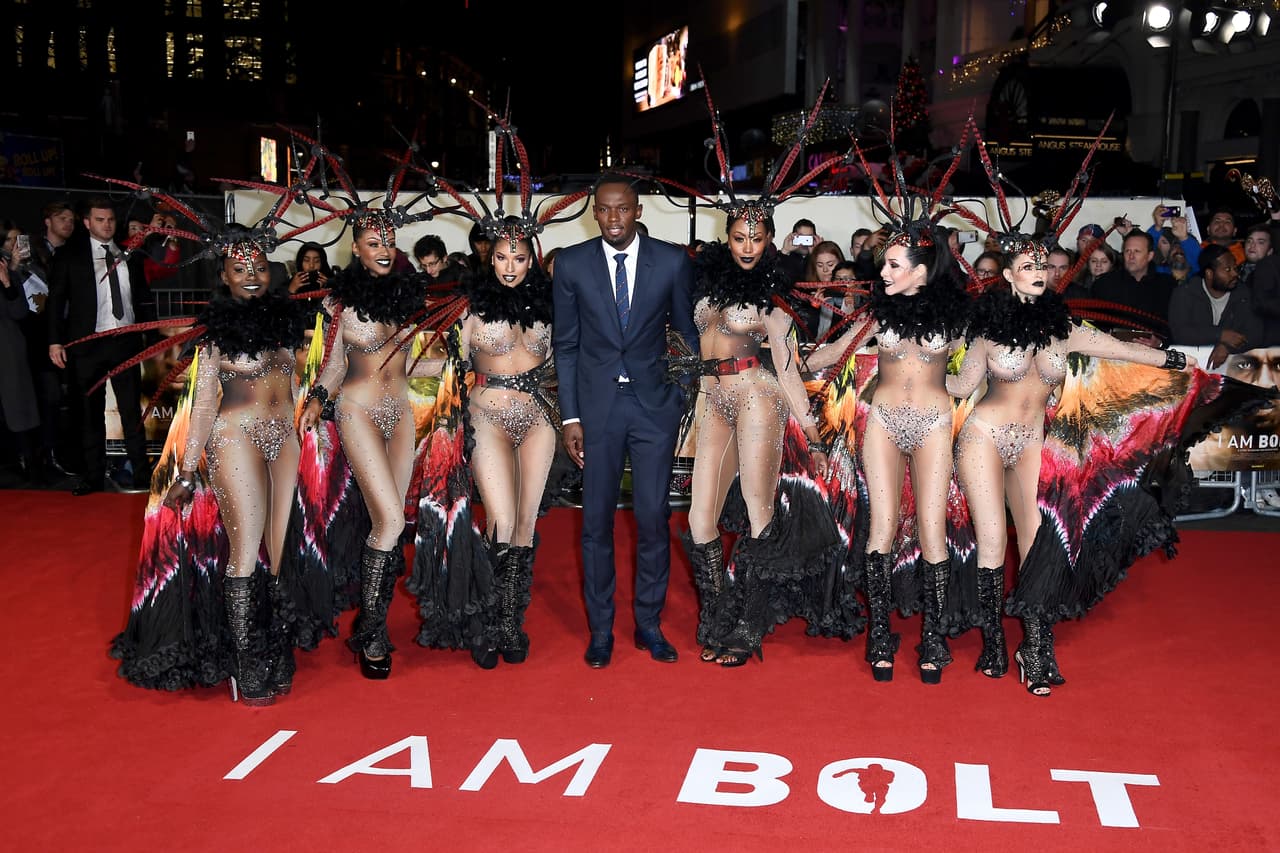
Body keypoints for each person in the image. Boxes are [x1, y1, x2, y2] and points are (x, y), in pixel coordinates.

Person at [948, 241, 1201, 696]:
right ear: (1008, 275)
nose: (1038, 272)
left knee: (1036, 541)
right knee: (989, 540)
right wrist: (907, 369)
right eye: (1027, 266)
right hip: (983, 436)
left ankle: (1036, 645)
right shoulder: (985, 329)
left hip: (1031, 441)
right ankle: (992, 643)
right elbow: (963, 384)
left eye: (1041, 265)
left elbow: (1117, 349)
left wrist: (1171, 359)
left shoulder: (1062, 327)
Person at [109, 220, 312, 704]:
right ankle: (244, 662)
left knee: (279, 550)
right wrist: (187, 469)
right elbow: (202, 406)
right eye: (240, 269)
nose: (251, 276)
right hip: (233, 440)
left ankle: (272, 641)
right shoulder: (215, 334)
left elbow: (298, 387)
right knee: (245, 548)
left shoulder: (288, 323)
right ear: (222, 275)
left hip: (284, 441)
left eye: (260, 268)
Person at [809, 215, 971, 684]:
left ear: (920, 271)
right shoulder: (878, 315)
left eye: (894, 264)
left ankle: (934, 639)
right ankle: (880, 635)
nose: (883, 272)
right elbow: (831, 352)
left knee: (931, 531)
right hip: (881, 423)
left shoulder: (956, 316)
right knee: (880, 528)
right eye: (884, 263)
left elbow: (987, 356)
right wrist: (781, 350)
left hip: (934, 424)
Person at [682, 207, 841, 666]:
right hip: (711, 399)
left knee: (758, 509)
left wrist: (809, 430)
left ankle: (750, 621)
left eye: (755, 239)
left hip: (757, 396)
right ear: (727, 238)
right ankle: (717, 614)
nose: (747, 247)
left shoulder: (773, 294)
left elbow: (788, 366)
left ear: (770, 239)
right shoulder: (707, 284)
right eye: (738, 238)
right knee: (699, 518)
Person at [552, 174, 699, 669]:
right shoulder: (571, 264)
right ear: (594, 212)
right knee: (594, 524)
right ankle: (600, 631)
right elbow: (566, 346)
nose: (613, 219)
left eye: (622, 210)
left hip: (654, 410)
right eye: (603, 210)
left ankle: (649, 624)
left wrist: (678, 398)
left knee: (653, 519)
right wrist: (571, 416)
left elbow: (685, 337)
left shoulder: (673, 261)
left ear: (638, 211)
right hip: (595, 413)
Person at [412, 219, 561, 668]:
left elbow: (563, 362)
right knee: (499, 517)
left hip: (538, 419)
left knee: (525, 524)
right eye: (501, 257)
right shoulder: (470, 305)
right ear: (488, 257)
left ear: (532, 258)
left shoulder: (550, 305)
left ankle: (509, 622)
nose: (509, 267)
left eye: (518, 258)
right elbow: (444, 364)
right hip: (487, 417)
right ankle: (488, 619)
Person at [297, 209, 429, 680]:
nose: (383, 248)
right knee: (391, 519)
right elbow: (334, 365)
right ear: (355, 248)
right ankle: (371, 632)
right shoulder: (340, 302)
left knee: (390, 526)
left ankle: (373, 621)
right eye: (373, 242)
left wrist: (462, 366)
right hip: (357, 412)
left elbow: (410, 365)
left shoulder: (408, 296)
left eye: (389, 241)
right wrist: (316, 398)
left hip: (401, 415)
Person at [47, 197, 153, 495]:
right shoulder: (70, 255)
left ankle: (142, 475)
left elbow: (142, 294)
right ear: (87, 222)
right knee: (89, 413)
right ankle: (93, 476)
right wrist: (55, 341)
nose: (107, 225)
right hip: (88, 344)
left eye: (110, 220)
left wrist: (150, 332)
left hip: (125, 341)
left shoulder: (128, 252)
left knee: (132, 411)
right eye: (100, 220)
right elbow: (56, 301)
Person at [1167, 244, 1263, 368]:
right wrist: (1220, 335)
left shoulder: (1243, 293)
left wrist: (1227, 346)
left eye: (1235, 268)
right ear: (1209, 274)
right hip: (1191, 364)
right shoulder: (1185, 293)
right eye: (1227, 270)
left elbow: (1256, 333)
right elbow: (1180, 333)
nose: (1235, 274)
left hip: (1235, 367)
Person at [805, 240, 846, 340]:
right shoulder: (806, 292)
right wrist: (814, 308)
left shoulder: (850, 292)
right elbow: (804, 336)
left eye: (830, 264)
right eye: (820, 265)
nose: (825, 270)